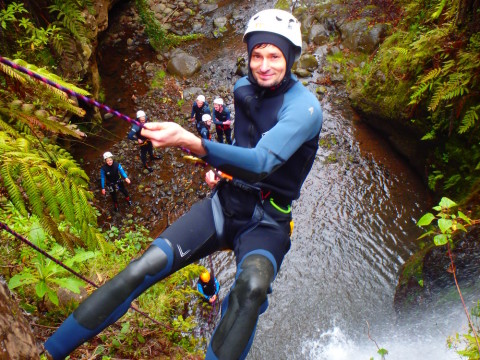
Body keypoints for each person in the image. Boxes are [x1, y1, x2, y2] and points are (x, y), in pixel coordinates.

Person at [44, 9, 322, 360]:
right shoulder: (242, 89)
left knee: (250, 290)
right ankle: (48, 352)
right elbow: (243, 144)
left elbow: (264, 161)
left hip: (267, 221)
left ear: (292, 58)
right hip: (224, 206)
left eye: (275, 56)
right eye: (256, 55)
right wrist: (222, 169)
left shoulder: (305, 110)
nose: (263, 65)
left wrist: (190, 141)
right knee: (141, 268)